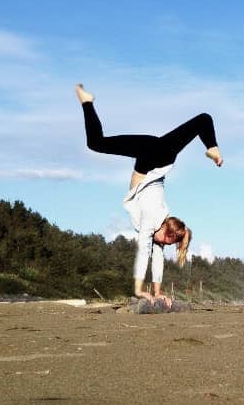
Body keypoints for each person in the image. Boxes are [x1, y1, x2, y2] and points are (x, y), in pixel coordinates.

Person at [76, 84, 222, 304]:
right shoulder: (152, 220)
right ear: (167, 231)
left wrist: (157, 292)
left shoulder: (161, 228)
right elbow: (144, 253)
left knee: (96, 143)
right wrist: (138, 290)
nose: (162, 244)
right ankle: (212, 147)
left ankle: (86, 101)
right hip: (155, 158)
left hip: (159, 152)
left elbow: (158, 260)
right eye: (166, 241)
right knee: (97, 144)